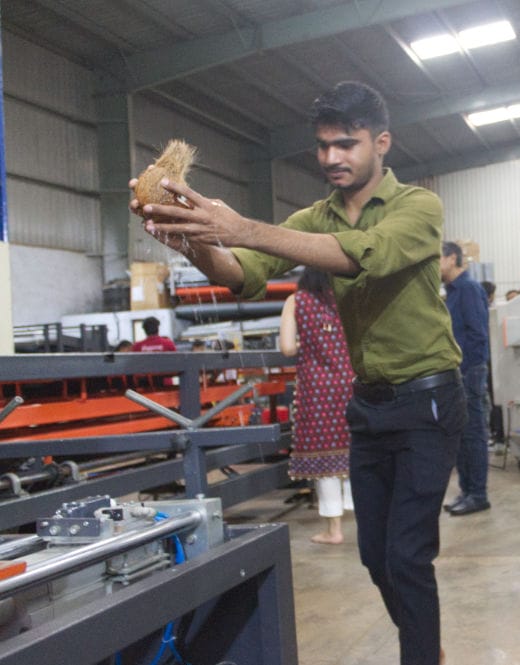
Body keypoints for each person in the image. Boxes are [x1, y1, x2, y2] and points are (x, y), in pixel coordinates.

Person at [132, 81, 464, 665]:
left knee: (408, 555)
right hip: (368, 405)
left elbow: (364, 255)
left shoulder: (419, 206)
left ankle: (419, 656)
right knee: (375, 558)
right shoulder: (317, 215)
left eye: (347, 144)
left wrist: (240, 227)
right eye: (323, 146)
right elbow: (244, 273)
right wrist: (193, 237)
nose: (332, 158)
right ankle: (424, 644)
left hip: (426, 402)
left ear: (381, 143)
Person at [279, 267, 355, 544]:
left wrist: (310, 344)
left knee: (323, 454)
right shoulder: (348, 298)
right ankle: (364, 517)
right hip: (350, 382)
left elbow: (287, 347)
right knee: (354, 450)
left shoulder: (295, 301)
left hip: (316, 387)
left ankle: (334, 530)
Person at [440, 241, 491, 516]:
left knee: (473, 435)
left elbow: (477, 335)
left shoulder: (469, 289)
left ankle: (479, 494)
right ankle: (467, 490)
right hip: (458, 372)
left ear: (451, 258)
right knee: (460, 435)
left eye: (437, 258)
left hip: (469, 371)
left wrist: (466, 370)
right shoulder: (451, 293)